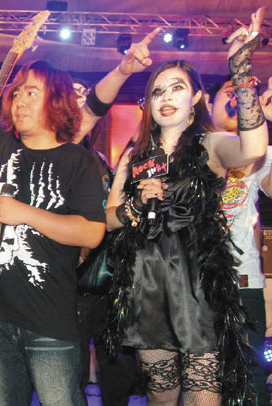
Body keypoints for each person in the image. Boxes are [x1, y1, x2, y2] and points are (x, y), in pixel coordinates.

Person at [0, 1, 107, 405]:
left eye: (32, 92)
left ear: (57, 101)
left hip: (48, 319)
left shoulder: (77, 161)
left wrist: (25, 214)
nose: (20, 101)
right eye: (17, 93)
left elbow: (91, 233)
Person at [105, 7, 268, 406]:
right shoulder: (133, 155)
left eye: (176, 88)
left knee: (203, 400)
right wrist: (135, 206)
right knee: (161, 400)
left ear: (195, 97)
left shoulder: (210, 146)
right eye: (157, 91)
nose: (166, 97)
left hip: (200, 290)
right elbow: (108, 221)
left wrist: (240, 70)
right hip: (148, 288)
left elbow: (253, 147)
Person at [72, 79, 137, 406]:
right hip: (74, 282)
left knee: (118, 369)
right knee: (74, 373)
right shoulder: (58, 152)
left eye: (82, 94)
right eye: (73, 94)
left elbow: (110, 213)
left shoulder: (97, 157)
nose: (80, 101)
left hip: (108, 279)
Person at [209, 74, 272, 406]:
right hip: (191, 283)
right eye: (227, 92)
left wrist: (267, 121)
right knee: (202, 375)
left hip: (241, 280)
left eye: (241, 93)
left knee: (248, 373)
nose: (235, 98)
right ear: (208, 103)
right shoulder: (189, 150)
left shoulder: (260, 154)